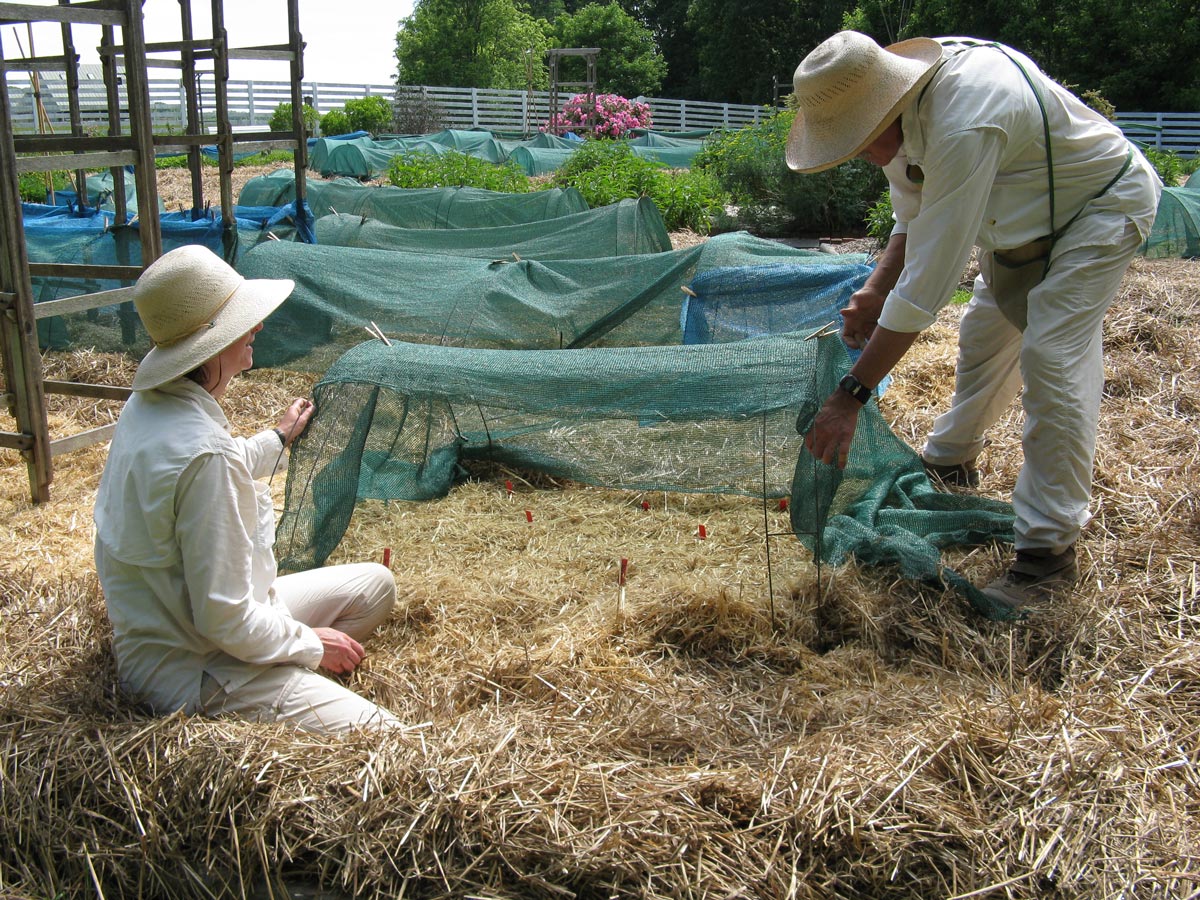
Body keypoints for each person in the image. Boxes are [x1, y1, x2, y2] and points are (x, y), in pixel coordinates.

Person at [787, 32, 1161, 613]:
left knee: (1052, 356)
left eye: (857, 142)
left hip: (1098, 208)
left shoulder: (964, 118)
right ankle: (951, 460)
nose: (860, 153)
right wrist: (872, 288)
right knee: (986, 332)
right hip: (1019, 226)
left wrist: (851, 394)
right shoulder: (904, 116)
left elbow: (929, 285)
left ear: (885, 107)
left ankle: (1047, 553)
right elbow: (912, 215)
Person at [94, 245, 402, 732]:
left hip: (173, 631)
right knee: (388, 739)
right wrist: (312, 645)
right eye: (244, 320)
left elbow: (211, 467)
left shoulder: (149, 406)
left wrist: (277, 440)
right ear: (210, 345)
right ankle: (272, 689)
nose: (256, 327)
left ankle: (284, 677)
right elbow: (224, 619)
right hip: (197, 668)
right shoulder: (203, 456)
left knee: (375, 587)